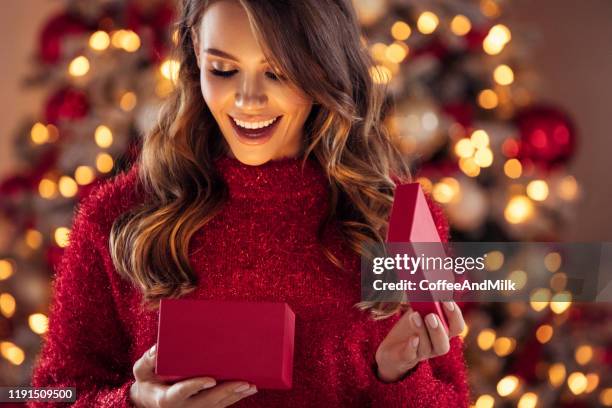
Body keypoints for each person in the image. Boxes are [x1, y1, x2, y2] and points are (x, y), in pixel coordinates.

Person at [30, 0, 470, 406]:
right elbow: (51, 397)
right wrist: (135, 401)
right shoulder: (119, 216)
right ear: (196, 51)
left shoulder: (396, 219)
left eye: (278, 73)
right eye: (223, 70)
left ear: (323, 66)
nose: (247, 100)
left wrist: (396, 378)